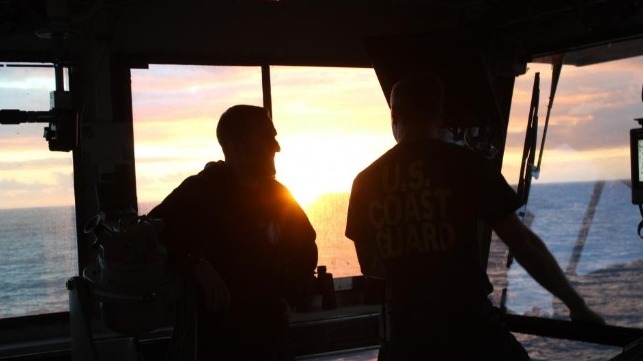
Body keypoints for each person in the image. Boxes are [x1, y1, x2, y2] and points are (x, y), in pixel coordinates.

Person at [345, 73, 605, 360]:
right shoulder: (467, 166)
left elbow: (371, 265)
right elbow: (523, 245)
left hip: (407, 339)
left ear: (394, 117)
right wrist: (576, 305)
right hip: (469, 332)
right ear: (440, 117)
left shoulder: (365, 182)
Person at [148, 104, 318, 360]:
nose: (277, 147)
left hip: (271, 337)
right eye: (267, 138)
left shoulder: (277, 195)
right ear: (236, 148)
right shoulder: (199, 192)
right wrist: (196, 263)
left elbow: (306, 244)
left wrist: (291, 292)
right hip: (218, 342)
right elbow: (151, 234)